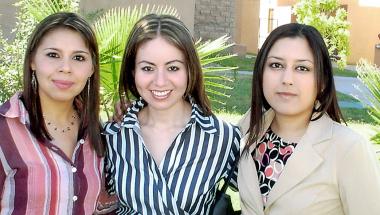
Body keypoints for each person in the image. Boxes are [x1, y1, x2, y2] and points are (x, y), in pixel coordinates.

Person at [103, 14, 241, 214]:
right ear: (133, 71)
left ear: (189, 70)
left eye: (173, 67)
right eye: (148, 68)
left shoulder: (223, 138)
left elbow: (265, 197)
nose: (160, 81)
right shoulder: (114, 135)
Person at [237, 23, 380, 214]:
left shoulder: (349, 148)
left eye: (302, 68)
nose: (287, 79)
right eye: (276, 65)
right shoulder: (246, 130)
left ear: (322, 81)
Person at [0, 12, 105, 214]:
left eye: (78, 58)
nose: (66, 68)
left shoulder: (99, 133)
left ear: (92, 67)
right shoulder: (5, 130)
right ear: (32, 60)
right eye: (53, 55)